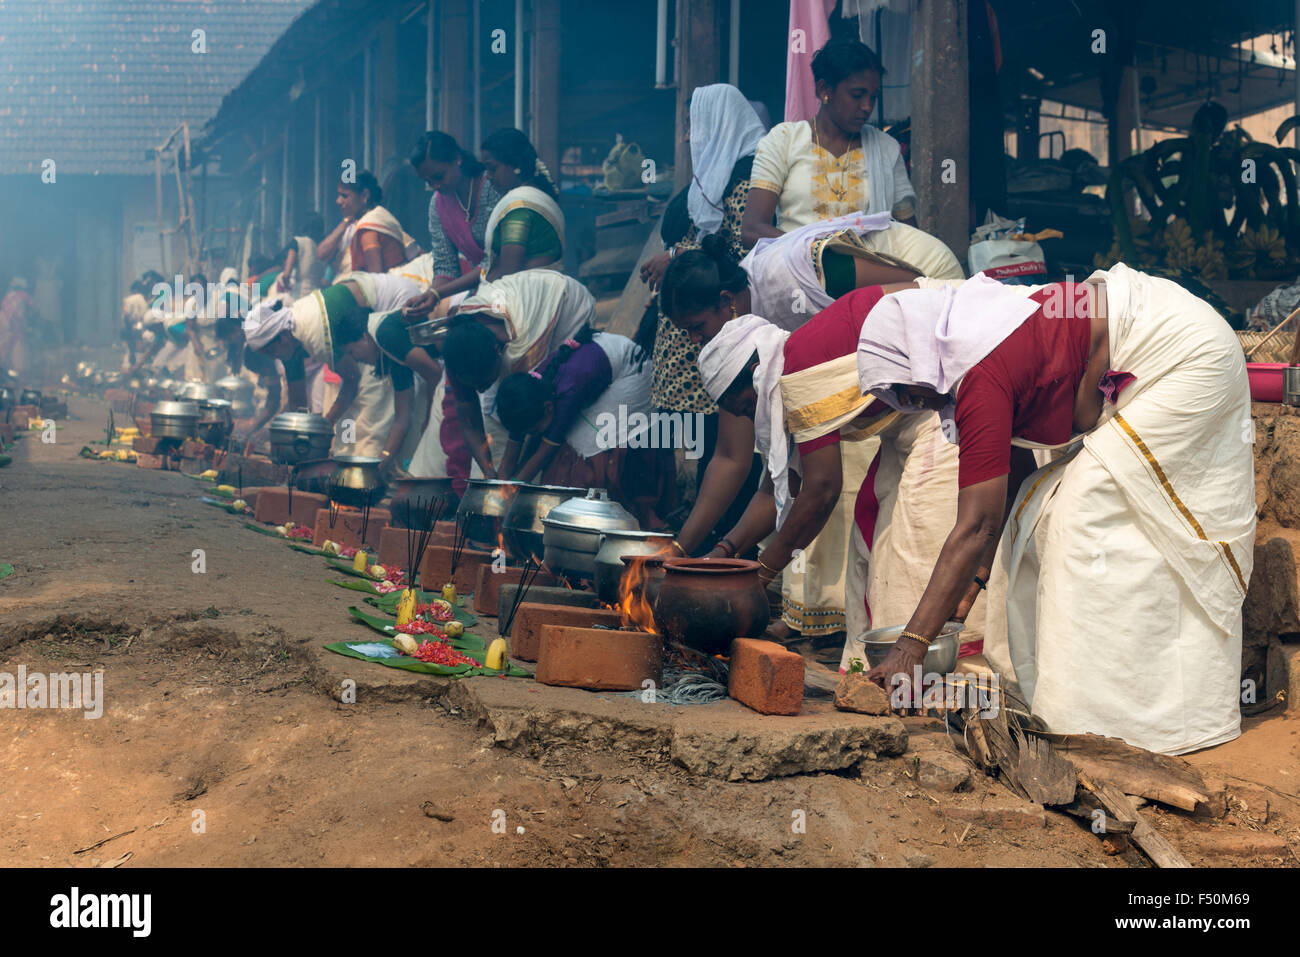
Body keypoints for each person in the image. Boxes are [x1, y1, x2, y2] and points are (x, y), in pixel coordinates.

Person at [856, 266, 1255, 755]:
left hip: (1189, 357)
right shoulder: (982, 349)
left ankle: (1118, 719)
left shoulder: (981, 373)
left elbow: (976, 523)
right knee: (1036, 509)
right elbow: (1009, 490)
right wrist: (972, 589)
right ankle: (1087, 700)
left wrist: (910, 647)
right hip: (1170, 342)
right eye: (899, 398)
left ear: (919, 353)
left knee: (1081, 515)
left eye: (906, 387)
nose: (912, 401)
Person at [658, 219, 962, 642]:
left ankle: (943, 671)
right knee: (868, 537)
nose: (747, 418)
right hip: (902, 403)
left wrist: (759, 575)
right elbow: (774, 486)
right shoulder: (770, 362)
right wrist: (721, 555)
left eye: (743, 408)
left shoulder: (793, 364)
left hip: (946, 361)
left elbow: (820, 489)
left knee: (908, 540)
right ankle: (860, 664)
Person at [742, 39, 916, 248]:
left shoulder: (886, 149)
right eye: (857, 95)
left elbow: (910, 237)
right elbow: (752, 230)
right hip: (795, 269)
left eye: (873, 97)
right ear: (824, 89)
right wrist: (821, 253)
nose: (867, 106)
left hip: (866, 273)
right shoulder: (784, 140)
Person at [494, 328, 673, 527]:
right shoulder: (524, 394)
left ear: (548, 408)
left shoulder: (569, 390)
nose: (531, 435)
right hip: (597, 375)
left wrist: (511, 491)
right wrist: (498, 492)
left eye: (534, 430)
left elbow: (544, 452)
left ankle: (624, 521)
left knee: (583, 449)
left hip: (633, 377)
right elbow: (511, 452)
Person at [439, 270, 596, 478]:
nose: (479, 389)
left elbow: (521, 410)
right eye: (473, 385)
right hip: (519, 304)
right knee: (492, 411)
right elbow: (468, 421)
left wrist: (507, 476)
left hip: (564, 303)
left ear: (498, 353)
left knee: (539, 408)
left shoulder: (523, 350)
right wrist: (487, 471)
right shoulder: (458, 350)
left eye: (483, 382)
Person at [409, 131, 503, 302]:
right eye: (428, 181)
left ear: (457, 159)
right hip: (483, 289)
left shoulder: (492, 187)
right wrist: (428, 298)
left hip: (513, 283)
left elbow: (497, 261)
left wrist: (438, 294)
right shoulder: (437, 204)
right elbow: (446, 268)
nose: (435, 186)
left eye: (439, 176)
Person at [478, 128, 565, 279]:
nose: (488, 176)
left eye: (492, 169)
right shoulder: (533, 198)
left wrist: (484, 283)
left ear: (516, 165)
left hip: (526, 292)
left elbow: (509, 272)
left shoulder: (519, 208)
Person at [316, 171, 418, 275]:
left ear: (365, 195)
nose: (338, 201)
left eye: (345, 196)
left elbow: (416, 255)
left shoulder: (378, 221)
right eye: (339, 195)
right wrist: (345, 222)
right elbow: (321, 255)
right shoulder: (348, 228)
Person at [277, 214, 326, 300]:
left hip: (299, 295)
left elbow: (286, 275)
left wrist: (287, 284)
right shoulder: (324, 247)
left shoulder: (298, 242)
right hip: (318, 297)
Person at [0, 277, 35, 376]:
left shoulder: (21, 326)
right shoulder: (3, 321)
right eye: (18, 306)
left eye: (23, 307)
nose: (21, 312)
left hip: (15, 377)